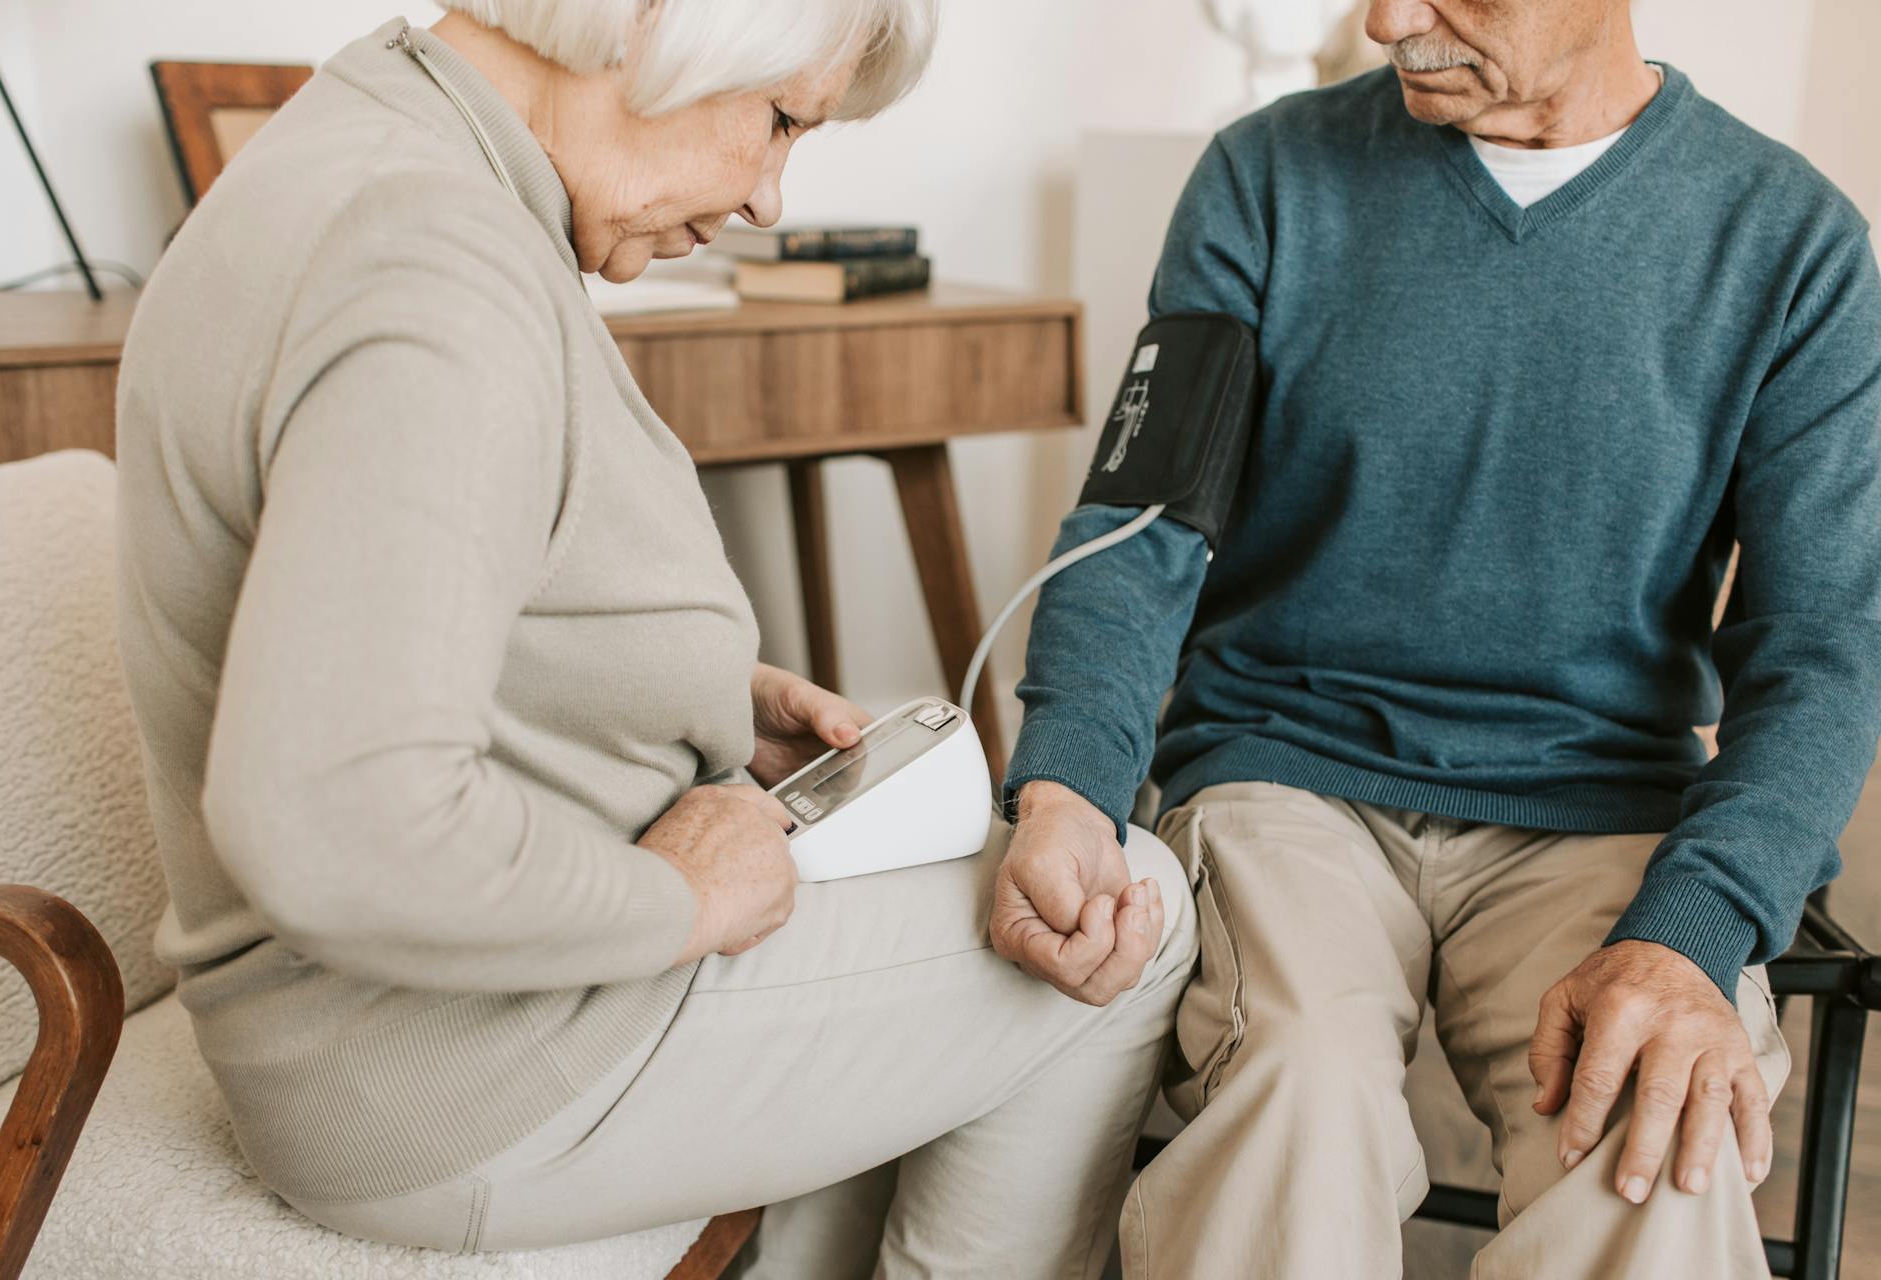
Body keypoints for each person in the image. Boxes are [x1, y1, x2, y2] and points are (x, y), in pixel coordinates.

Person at [112, 3, 1196, 1274]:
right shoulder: (436, 267)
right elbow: (334, 819)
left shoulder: (370, 140)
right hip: (453, 1067)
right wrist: (677, 898)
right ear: (660, 23)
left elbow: (381, 580)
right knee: (1141, 907)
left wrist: (672, 688)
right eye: (782, 120)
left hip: (380, 1030)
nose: (770, 200)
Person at [995, 0, 1881, 1276]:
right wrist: (1068, 779)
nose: (1386, 20)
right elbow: (1139, 527)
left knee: (1652, 1122)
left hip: (1602, 809)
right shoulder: (1268, 177)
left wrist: (1695, 929)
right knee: (1294, 1085)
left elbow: (1821, 645)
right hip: (1290, 776)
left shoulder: (1791, 242)